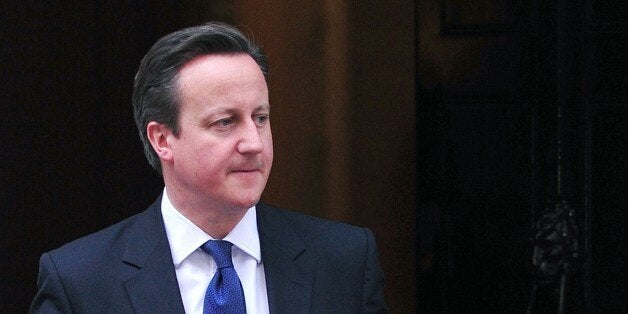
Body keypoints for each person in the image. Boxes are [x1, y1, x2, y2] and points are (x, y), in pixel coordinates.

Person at [30, 22, 388, 313]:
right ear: (163, 139)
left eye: (260, 118)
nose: (254, 143)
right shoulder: (80, 281)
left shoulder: (344, 261)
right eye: (225, 122)